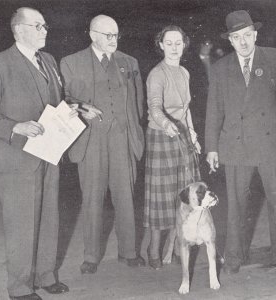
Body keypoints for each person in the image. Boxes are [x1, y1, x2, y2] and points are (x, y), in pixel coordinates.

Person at [0, 7, 70, 300]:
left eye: (45, 25)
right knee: (21, 224)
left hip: (49, 153)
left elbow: (56, 99)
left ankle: (45, 276)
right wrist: (16, 127)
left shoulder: (48, 60)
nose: (45, 30)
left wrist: (74, 109)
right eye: (38, 26)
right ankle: (20, 288)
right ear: (18, 30)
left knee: (49, 218)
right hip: (17, 159)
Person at [60, 14, 145, 274]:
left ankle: (129, 252)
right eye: (108, 35)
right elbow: (63, 99)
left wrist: (131, 132)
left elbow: (138, 102)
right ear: (92, 34)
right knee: (92, 199)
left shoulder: (129, 63)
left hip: (122, 138)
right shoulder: (71, 62)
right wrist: (83, 107)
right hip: (91, 139)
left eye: (116, 35)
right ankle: (91, 256)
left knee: (125, 197)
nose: (113, 40)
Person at [205, 10, 276, 274]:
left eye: (247, 35)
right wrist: (212, 147)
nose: (243, 42)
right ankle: (234, 258)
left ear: (255, 35)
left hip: (271, 145)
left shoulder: (273, 58)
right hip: (236, 145)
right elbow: (214, 111)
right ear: (230, 41)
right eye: (237, 37)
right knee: (235, 205)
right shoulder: (220, 69)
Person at [143, 25, 201, 270]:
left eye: (179, 42)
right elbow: (155, 106)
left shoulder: (185, 73)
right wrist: (166, 124)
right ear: (161, 45)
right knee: (162, 198)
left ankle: (179, 245)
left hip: (182, 136)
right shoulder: (157, 74)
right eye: (169, 43)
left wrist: (194, 135)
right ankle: (154, 248)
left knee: (185, 194)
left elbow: (185, 111)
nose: (174, 47)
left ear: (184, 44)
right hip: (160, 136)